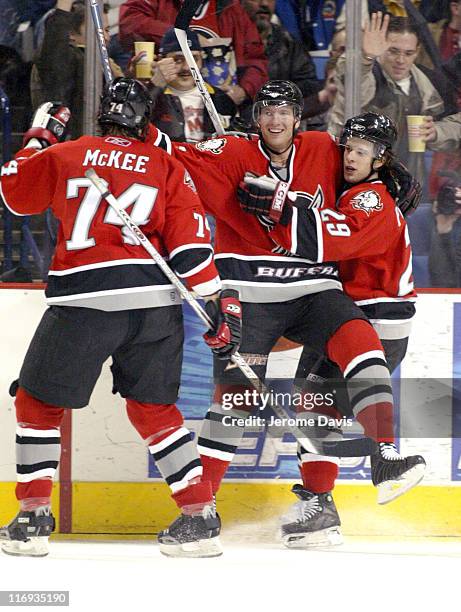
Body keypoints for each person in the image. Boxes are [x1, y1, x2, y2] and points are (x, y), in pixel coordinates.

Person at [169, 81, 425, 550]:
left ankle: (381, 457)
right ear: (256, 117)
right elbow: (171, 154)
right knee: (240, 403)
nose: (276, 119)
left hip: (341, 299)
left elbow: (337, 231)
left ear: (298, 117)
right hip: (254, 289)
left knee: (350, 355)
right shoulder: (233, 149)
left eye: (285, 110)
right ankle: (203, 510)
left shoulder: (338, 162)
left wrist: (277, 203)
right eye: (267, 110)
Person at [0, 78, 242, 559]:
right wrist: (216, 305)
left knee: (37, 404)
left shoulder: (70, 153)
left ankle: (31, 516)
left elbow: (14, 194)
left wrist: (39, 136)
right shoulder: (166, 165)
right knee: (154, 411)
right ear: (146, 122)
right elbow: (191, 246)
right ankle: (199, 516)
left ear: (103, 116)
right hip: (155, 306)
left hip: (86, 300)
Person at [238, 112, 422, 546]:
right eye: (349, 148)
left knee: (318, 403)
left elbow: (330, 238)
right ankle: (329, 500)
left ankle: (384, 462)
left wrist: (279, 205)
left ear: (380, 159)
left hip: (371, 316)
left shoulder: (369, 199)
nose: (351, 158)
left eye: (362, 151)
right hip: (361, 315)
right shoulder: (359, 193)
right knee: (317, 405)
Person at [328, 13, 457, 185]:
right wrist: (366, 57)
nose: (401, 60)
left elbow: (456, 124)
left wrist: (436, 132)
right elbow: (355, 90)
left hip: (405, 185)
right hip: (353, 181)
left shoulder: (430, 84)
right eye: (393, 51)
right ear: (381, 47)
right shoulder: (364, 71)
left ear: (417, 51)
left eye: (408, 53)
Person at [118, 0, 268, 109]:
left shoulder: (231, 8)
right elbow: (129, 23)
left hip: (215, 108)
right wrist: (181, 37)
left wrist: (243, 91)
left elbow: (256, 58)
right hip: (162, 105)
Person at [30, 0, 124, 138]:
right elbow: (55, 47)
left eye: (107, 30)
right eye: (98, 30)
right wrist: (64, 5)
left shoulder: (106, 64)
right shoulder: (64, 58)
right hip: (67, 146)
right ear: (71, 33)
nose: (107, 37)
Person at [144, 27, 236, 141]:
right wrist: (155, 85)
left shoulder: (221, 99)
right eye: (178, 60)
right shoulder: (151, 97)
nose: (187, 67)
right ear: (161, 60)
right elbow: (131, 126)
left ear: (201, 61)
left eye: (194, 59)